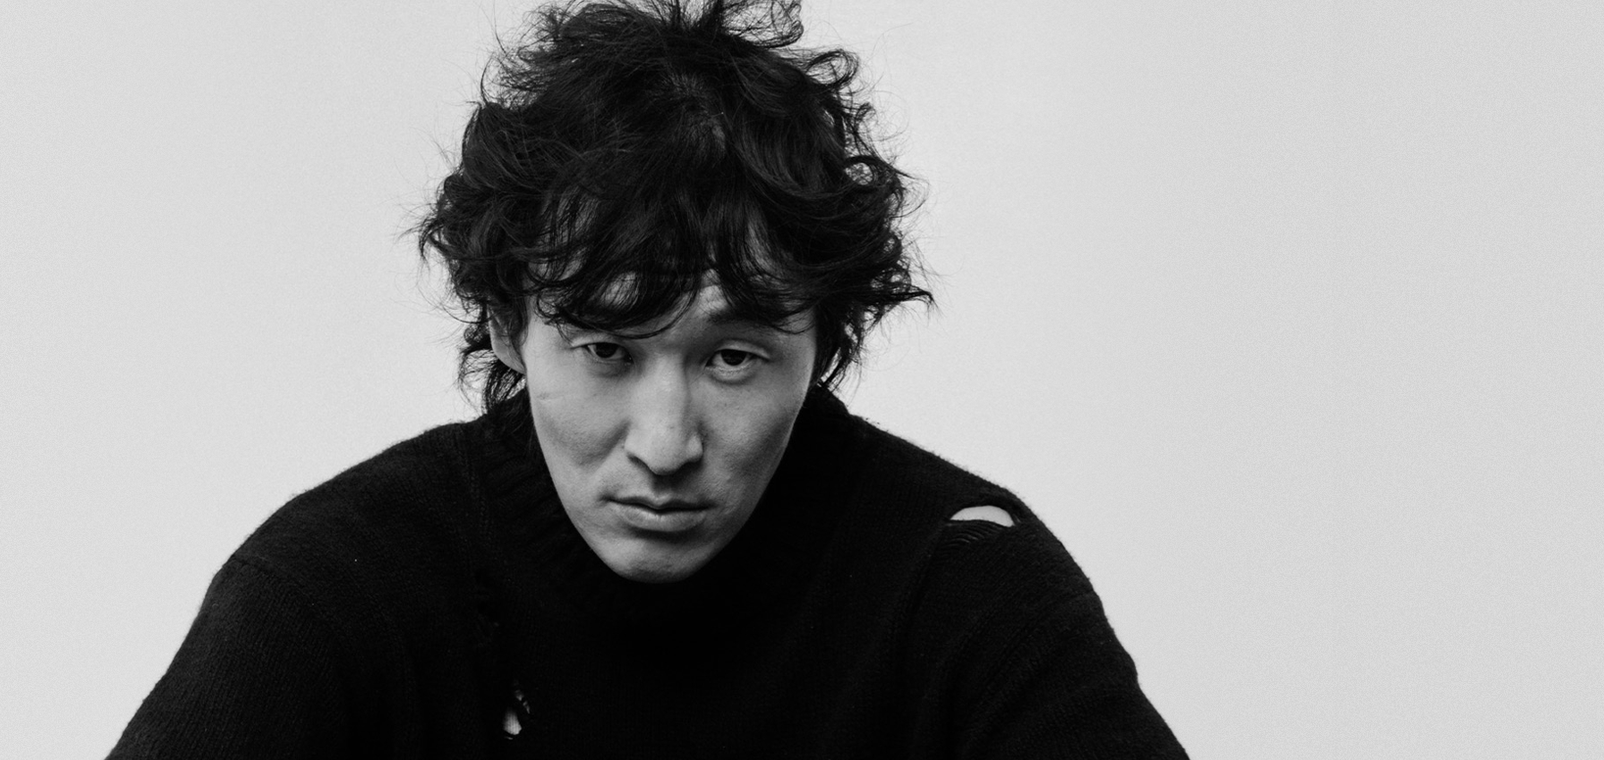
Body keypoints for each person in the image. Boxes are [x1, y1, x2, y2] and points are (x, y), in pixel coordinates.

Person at [108, 0, 1185, 757]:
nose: (666, 445)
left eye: (731, 358)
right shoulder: (340, 587)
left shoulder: (964, 586)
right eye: (606, 351)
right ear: (508, 325)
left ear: (823, 343)